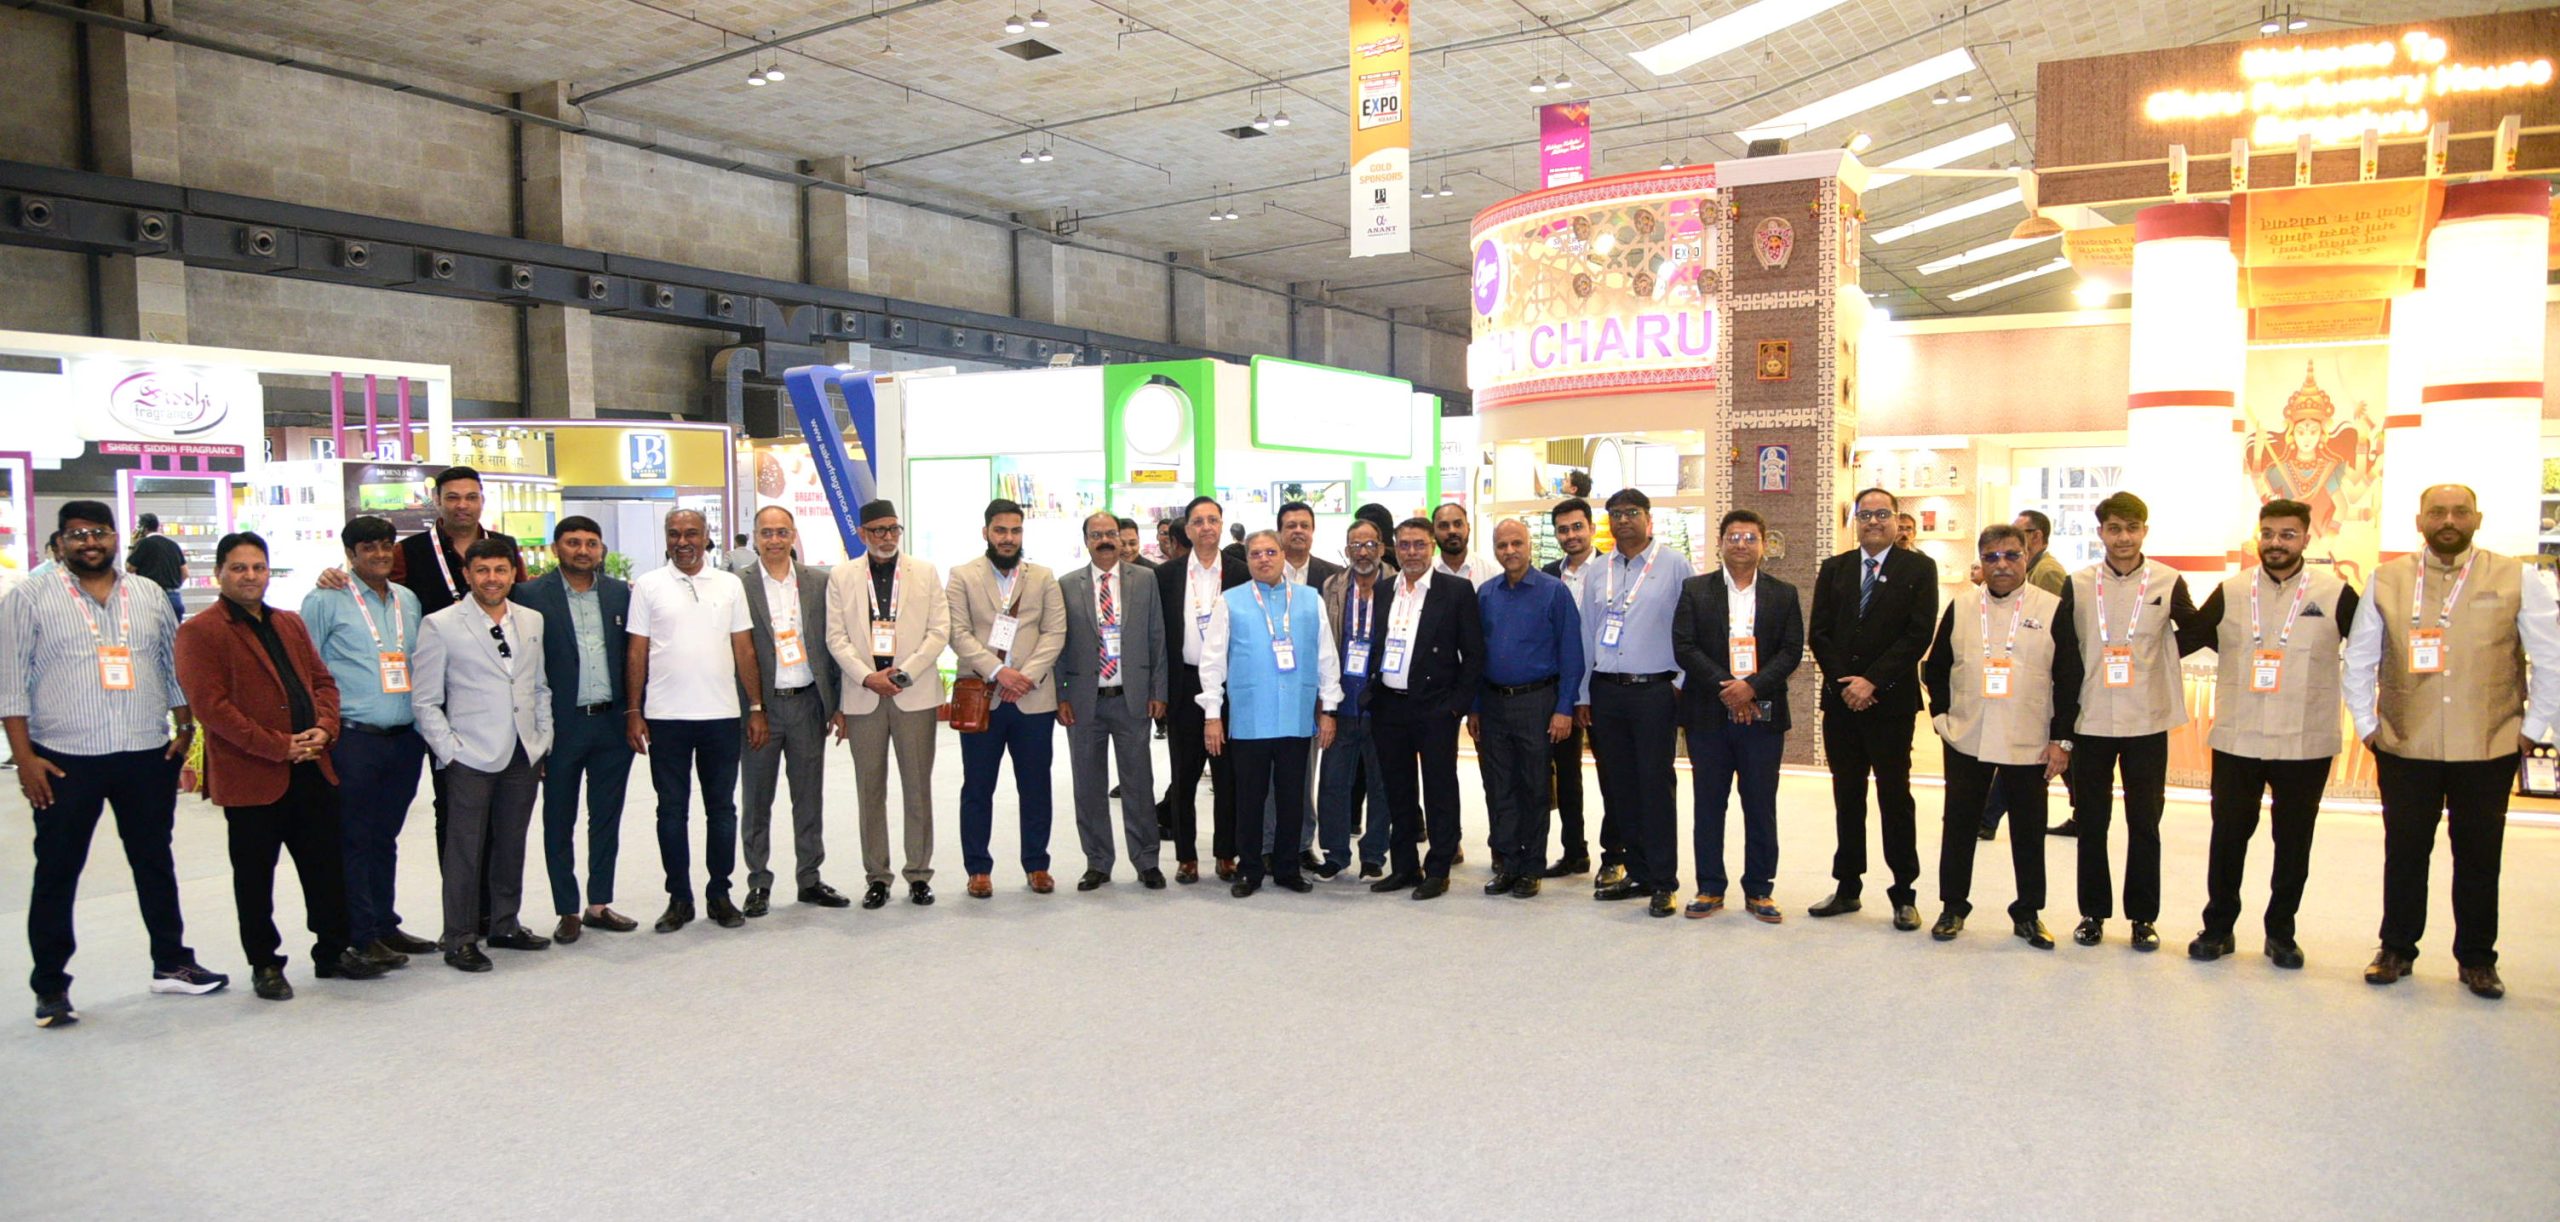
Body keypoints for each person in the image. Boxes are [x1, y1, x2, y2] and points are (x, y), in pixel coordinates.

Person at [3, 501, 226, 1027]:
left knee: (154, 861)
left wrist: (185, 727)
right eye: (77, 534)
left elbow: (170, 665)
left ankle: (171, 962)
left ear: (115, 536)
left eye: (99, 532)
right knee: (57, 871)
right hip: (65, 758)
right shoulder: (30, 597)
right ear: (60, 542)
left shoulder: (147, 594)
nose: (89, 542)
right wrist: (25, 757)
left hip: (144, 751)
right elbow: (10, 682)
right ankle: (50, 986)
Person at [2344, 483, 2560, 1000]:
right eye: (2437, 512)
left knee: (2480, 857)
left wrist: (2533, 729)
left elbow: (2550, 657)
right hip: (2406, 744)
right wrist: (2367, 725)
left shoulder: (2516, 577)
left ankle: (2478, 959)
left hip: (2488, 744)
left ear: (2476, 519)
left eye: (2460, 512)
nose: (2448, 520)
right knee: (2405, 853)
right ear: (2419, 521)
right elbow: (2360, 658)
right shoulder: (2386, 580)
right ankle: (2396, 948)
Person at [176, 532, 385, 999]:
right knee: (255, 878)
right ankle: (265, 964)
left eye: (258, 567)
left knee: (325, 869)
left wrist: (325, 729)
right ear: (220, 573)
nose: (250, 576)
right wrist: (278, 746)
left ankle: (333, 951)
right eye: (239, 568)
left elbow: (323, 682)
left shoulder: (289, 622)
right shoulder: (200, 631)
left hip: (312, 766)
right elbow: (212, 708)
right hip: (253, 774)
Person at [2174, 499, 2358, 969]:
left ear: (2306, 539)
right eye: (2269, 533)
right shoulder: (2232, 591)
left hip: (2305, 740)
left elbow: (2370, 651)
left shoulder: (2336, 593)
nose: (2276, 543)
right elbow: (2187, 639)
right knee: (2228, 837)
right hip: (2239, 738)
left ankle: (2281, 933)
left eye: (2288, 534)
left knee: (2293, 841)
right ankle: (2218, 928)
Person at [1921, 523, 2081, 948]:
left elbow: (2069, 677)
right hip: (1967, 735)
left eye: (2012, 555)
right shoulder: (1961, 606)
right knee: (1959, 824)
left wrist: (2061, 739)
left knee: (2028, 829)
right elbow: (1936, 667)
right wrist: (1941, 717)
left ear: (2027, 557)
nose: (2002, 565)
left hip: (2029, 738)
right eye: (1991, 557)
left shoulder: (2052, 607)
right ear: (1981, 562)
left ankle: (2028, 912)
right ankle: (1953, 906)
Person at [298, 515, 439, 963]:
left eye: (385, 546)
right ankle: (359, 933)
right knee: (353, 838)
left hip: (404, 738)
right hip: (353, 738)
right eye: (368, 548)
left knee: (385, 836)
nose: (379, 554)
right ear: (350, 554)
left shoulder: (407, 600)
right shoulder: (325, 599)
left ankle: (384, 924)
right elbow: (306, 670)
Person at [410, 537, 555, 972]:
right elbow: (425, 700)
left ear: (513, 574)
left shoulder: (530, 619)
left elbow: (538, 685)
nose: (492, 579)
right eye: (483, 571)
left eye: (500, 570)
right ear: (467, 575)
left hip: (522, 751)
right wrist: (450, 751)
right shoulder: (441, 624)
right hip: (469, 756)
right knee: (465, 850)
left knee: (511, 844)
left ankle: (505, 924)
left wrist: (542, 736)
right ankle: (459, 937)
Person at [2061, 492, 2199, 951]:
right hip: (2091, 718)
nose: (2124, 537)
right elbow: (2065, 649)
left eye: (2132, 528)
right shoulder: (2078, 583)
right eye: (2115, 528)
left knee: (2145, 822)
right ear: (2101, 532)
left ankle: (2143, 917)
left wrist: (2161, 656)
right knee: (2091, 821)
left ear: (2145, 531)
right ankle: (2092, 913)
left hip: (2147, 719)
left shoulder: (2168, 580)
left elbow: (2196, 630)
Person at [625, 508, 764, 934]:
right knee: (671, 811)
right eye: (674, 534)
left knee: (722, 810)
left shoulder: (729, 585)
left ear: (707, 537)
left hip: (721, 715)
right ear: (666, 538)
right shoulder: (648, 585)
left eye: (691, 533)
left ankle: (719, 893)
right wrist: (634, 711)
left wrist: (756, 707)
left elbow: (744, 648)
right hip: (666, 718)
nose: (682, 541)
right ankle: (679, 898)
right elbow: (637, 651)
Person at [1806, 488, 1938, 931]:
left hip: (1890, 703)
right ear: (1855, 522)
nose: (1874, 522)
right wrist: (1847, 682)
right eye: (1865, 515)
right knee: (1847, 796)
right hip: (1842, 702)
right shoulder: (1835, 568)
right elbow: (1819, 633)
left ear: (1898, 520)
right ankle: (1847, 887)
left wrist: (1872, 681)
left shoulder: (1918, 569)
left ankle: (1904, 893)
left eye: (1883, 514)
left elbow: (1918, 634)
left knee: (1895, 798)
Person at [509, 516, 640, 942]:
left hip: (611, 724)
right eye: (572, 542)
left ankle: (599, 903)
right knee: (558, 818)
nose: (582, 550)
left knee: (606, 816)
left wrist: (634, 713)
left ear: (601, 549)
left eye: (590, 543)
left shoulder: (620, 594)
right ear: (556, 548)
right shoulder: (528, 595)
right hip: (561, 726)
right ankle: (567, 908)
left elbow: (633, 655)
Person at [1670, 509, 1803, 923]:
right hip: (1708, 713)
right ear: (1721, 543)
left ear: (1764, 545)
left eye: (1750, 537)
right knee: (1709, 804)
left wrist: (1752, 687)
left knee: (1760, 805)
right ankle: (1710, 886)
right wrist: (1728, 687)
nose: (1741, 544)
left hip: (1763, 714)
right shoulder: (1695, 589)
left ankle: (1760, 889)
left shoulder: (1784, 593)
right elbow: (1684, 646)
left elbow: (1791, 650)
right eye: (1733, 537)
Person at [822, 499, 949, 908]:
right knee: (869, 790)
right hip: (864, 696)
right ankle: (877, 876)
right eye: (879, 530)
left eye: (894, 529)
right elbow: (835, 637)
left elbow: (939, 630)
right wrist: (867, 676)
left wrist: (904, 672)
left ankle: (919, 874)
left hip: (914, 693)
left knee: (918, 788)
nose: (888, 537)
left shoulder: (924, 572)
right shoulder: (841, 576)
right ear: (862, 534)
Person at [1202, 530, 1342, 897]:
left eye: (1270, 552)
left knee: (1292, 798)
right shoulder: (1230, 601)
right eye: (1255, 554)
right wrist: (1212, 715)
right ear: (1247, 560)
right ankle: (1250, 869)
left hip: (1296, 716)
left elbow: (1327, 657)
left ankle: (1286, 867)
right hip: (1250, 718)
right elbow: (1212, 662)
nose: (1263, 559)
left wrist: (1329, 708)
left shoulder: (1310, 599)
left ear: (1282, 555)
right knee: (1250, 799)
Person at [1580, 489, 1694, 918]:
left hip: (1654, 691)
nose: (1623, 520)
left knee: (1655, 787)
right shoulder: (1598, 570)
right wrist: (1583, 693)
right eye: (1615, 514)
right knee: (1620, 787)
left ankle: (1664, 881)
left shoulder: (1674, 564)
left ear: (1649, 518)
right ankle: (1639, 872)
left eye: (1632, 512)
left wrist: (1679, 683)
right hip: (1607, 691)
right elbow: (1586, 633)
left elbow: (1691, 626)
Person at [947, 497, 1068, 898]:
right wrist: (999, 672)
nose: (1008, 538)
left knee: (1036, 787)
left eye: (1015, 531)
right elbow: (958, 633)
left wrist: (1025, 677)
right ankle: (978, 869)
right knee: (977, 788)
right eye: (1000, 530)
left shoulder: (1043, 577)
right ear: (986, 532)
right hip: (982, 697)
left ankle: (1037, 864)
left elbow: (1055, 633)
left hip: (1033, 699)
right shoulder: (962, 576)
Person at [1362, 518, 1483, 900]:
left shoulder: (1456, 590)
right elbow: (1378, 644)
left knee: (1439, 789)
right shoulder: (1384, 589)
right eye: (1404, 545)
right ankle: (1404, 867)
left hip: (1435, 708)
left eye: (1419, 544)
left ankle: (1438, 868)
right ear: (1394, 548)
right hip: (1389, 706)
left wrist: (1455, 707)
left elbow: (1474, 655)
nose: (1411, 552)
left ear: (1432, 546)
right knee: (1397, 790)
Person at [737, 507, 847, 917]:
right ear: (755, 536)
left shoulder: (818, 582)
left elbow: (833, 644)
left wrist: (837, 704)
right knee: (757, 799)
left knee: (808, 797)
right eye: (766, 533)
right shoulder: (739, 584)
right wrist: (753, 707)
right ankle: (758, 882)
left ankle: (810, 879)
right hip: (761, 708)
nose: (774, 540)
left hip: (808, 704)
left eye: (782, 532)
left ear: (793, 535)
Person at [1470, 519, 1581, 899]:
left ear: (1529, 545)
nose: (1510, 551)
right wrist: (1475, 707)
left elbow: (1572, 653)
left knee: (1534, 786)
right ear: (1495, 550)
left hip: (1538, 702)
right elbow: (1475, 656)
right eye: (1502, 545)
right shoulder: (1486, 593)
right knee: (1499, 786)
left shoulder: (1554, 592)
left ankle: (1531, 867)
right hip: (1493, 703)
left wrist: (1564, 708)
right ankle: (1508, 863)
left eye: (1516, 543)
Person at [1058, 510, 1166, 889]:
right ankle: (1098, 861)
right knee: (1088, 786)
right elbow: (1058, 644)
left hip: (1131, 699)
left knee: (1138, 784)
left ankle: (1146, 861)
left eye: (1110, 534)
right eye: (1096, 534)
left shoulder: (1145, 580)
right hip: (1084, 701)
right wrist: (1060, 695)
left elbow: (1157, 637)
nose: (1104, 540)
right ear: (1086, 541)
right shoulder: (1067, 585)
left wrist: (1158, 690)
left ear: (1121, 539)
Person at [1161, 495, 1249, 882]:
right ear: (1188, 529)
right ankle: (1186, 857)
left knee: (1228, 774)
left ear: (1221, 524)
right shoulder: (1167, 575)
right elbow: (1159, 637)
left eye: (1213, 520)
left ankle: (1226, 854)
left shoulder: (1241, 572)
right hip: (1183, 683)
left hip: (1230, 686)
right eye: (1198, 521)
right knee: (1184, 775)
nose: (1206, 527)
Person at [1981, 510, 2072, 840]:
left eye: (2020, 534)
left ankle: (1988, 818)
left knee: (2032, 763)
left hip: (2035, 698)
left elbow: (2052, 638)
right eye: (1992, 557)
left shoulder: (2047, 574)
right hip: (2011, 695)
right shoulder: (2031, 570)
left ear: (2036, 537)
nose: (2003, 562)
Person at [1260, 499, 1341, 870]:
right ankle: (1268, 843)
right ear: (1280, 532)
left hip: (1309, 690)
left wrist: (1327, 696)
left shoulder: (1332, 577)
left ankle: (1303, 844)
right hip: (1267, 687)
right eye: (1290, 525)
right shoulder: (1260, 573)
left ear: (1313, 531)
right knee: (1268, 772)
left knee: (1306, 771)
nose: (1297, 531)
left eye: (1304, 525)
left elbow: (1331, 640)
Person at [1317, 518, 1396, 879]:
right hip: (1341, 699)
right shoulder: (1332, 586)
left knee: (1382, 782)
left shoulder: (1398, 584)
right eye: (1355, 545)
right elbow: (1323, 645)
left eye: (1369, 544)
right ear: (1347, 549)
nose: (1363, 552)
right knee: (1333, 781)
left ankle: (1374, 854)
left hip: (1382, 702)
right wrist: (1325, 703)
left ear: (1381, 547)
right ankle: (1335, 853)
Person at [1537, 497, 1599, 877]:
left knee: (1612, 777)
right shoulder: (1547, 575)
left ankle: (1617, 855)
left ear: (1591, 527)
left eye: (1577, 527)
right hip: (1558, 691)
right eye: (1563, 529)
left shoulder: (1611, 570)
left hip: (1603, 686)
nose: (1570, 535)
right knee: (1565, 774)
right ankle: (1574, 851)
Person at [388, 466, 527, 617]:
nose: (462, 505)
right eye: (452, 498)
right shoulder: (408, 550)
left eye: (471, 497)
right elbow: (395, 605)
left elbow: (521, 596)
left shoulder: (506, 545)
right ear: (437, 501)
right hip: (434, 632)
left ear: (482, 501)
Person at [126, 512, 188, 620]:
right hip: (174, 599)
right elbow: (185, 573)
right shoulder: (173, 545)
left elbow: (129, 568)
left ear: (143, 528)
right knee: (174, 630)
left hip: (152, 597)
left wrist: (132, 545)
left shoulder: (144, 544)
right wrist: (173, 586)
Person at [1430, 502, 1497, 586]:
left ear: (1468, 528)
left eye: (1458, 524)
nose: (1452, 531)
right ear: (1433, 532)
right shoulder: (1424, 573)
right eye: (1444, 526)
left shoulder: (1491, 572)